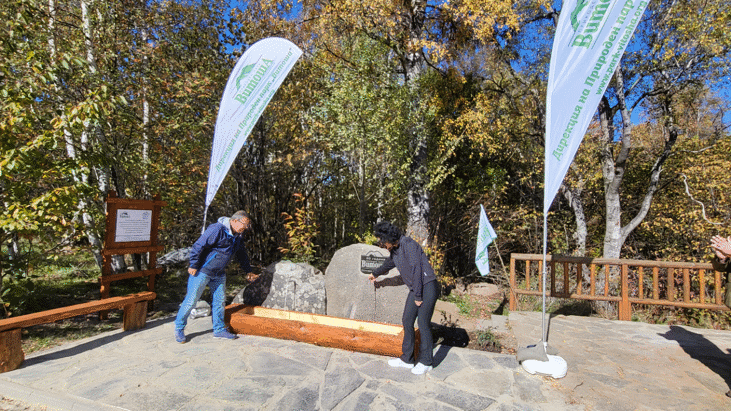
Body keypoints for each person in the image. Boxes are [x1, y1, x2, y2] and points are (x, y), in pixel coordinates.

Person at [368, 221, 440, 375]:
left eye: (382, 241)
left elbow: (417, 269)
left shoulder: (408, 244)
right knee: (407, 320)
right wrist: (375, 273)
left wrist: (418, 296)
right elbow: (388, 264)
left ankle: (427, 362)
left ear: (388, 238)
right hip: (417, 287)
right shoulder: (395, 251)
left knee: (423, 322)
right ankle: (407, 359)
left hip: (427, 285)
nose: (381, 244)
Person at [174, 210, 255, 343]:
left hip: (219, 273)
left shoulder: (239, 235)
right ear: (234, 221)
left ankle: (219, 330)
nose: (245, 228)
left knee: (219, 301)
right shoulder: (216, 229)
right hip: (202, 271)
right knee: (191, 300)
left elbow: (242, 254)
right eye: (244, 224)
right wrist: (193, 264)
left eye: (247, 226)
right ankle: (179, 327)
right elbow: (198, 245)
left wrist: (248, 271)